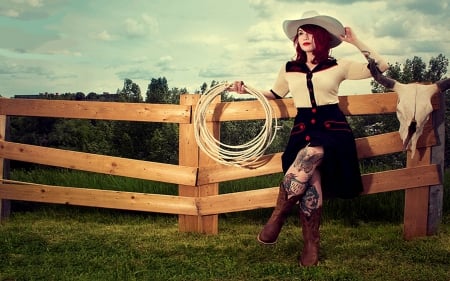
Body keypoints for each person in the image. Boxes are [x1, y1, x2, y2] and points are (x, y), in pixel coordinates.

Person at [230, 11, 388, 266]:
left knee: (309, 155)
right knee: (310, 184)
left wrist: (356, 41)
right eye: (300, 32)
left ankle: (278, 216)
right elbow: (273, 93)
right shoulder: (288, 68)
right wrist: (243, 88)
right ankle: (310, 245)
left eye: (309, 31)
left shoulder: (339, 65)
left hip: (333, 129)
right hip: (302, 128)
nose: (303, 36)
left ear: (322, 36)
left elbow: (381, 68)